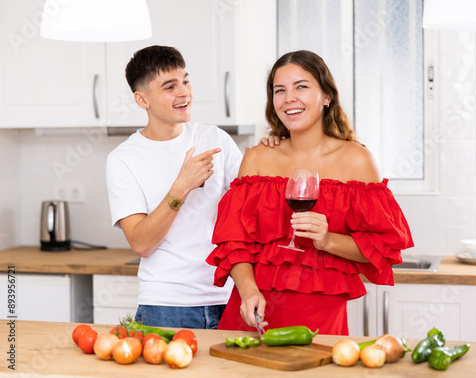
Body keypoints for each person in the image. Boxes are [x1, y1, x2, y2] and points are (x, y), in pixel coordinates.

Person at [206, 50, 414, 335]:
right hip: (254, 311)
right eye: (280, 90)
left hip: (320, 318)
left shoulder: (357, 161)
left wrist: (327, 240)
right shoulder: (257, 158)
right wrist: (248, 290)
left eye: (301, 86)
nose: (289, 97)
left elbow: (382, 247)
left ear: (327, 96)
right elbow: (235, 243)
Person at [106, 45, 276, 329]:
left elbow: (253, 206)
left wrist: (270, 155)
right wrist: (180, 188)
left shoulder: (215, 139)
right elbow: (141, 243)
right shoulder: (123, 159)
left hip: (229, 296)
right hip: (166, 305)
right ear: (141, 99)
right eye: (169, 86)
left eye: (185, 81)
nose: (184, 92)